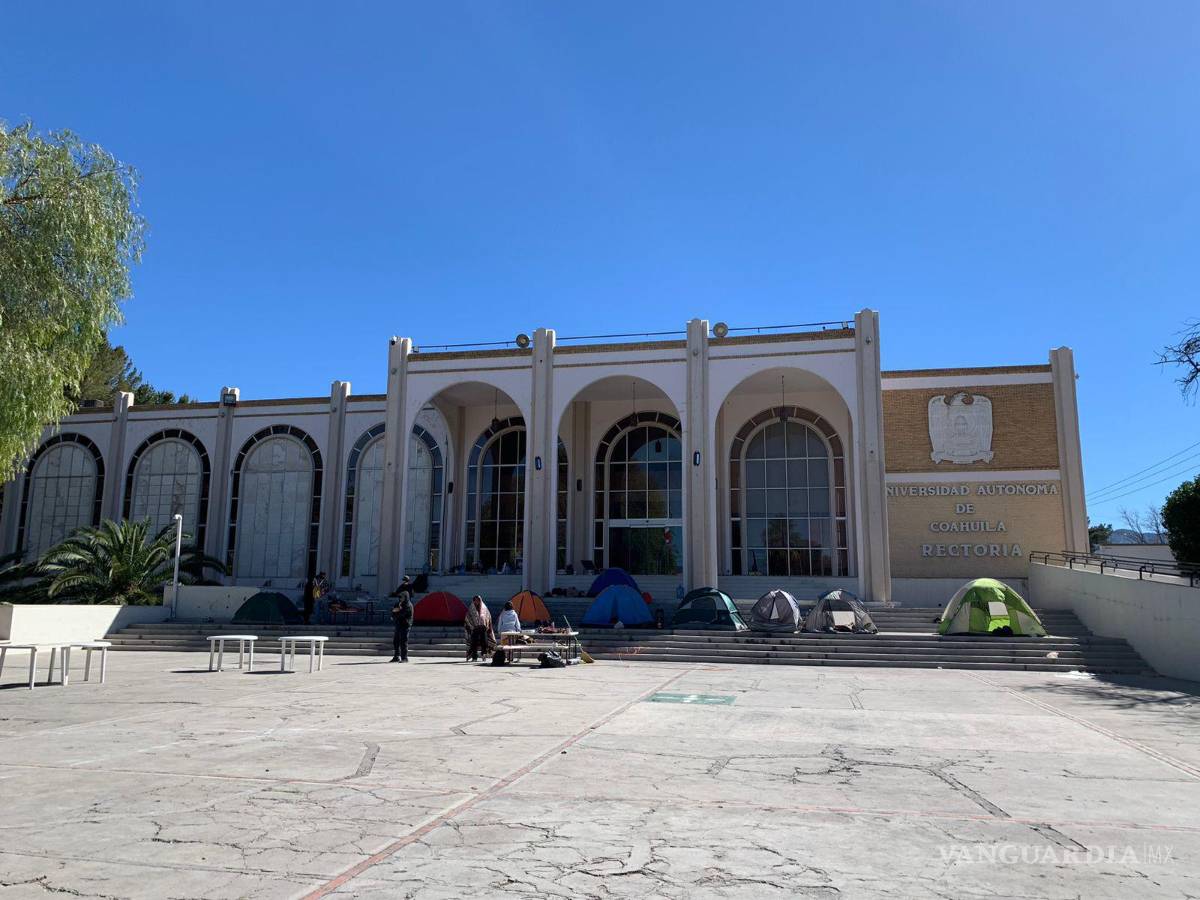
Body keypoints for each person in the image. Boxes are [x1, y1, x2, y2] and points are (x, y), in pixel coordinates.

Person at [464, 595, 495, 662]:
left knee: (484, 642)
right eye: (475, 600)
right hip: (474, 629)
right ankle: (474, 656)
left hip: (483, 628)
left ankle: (484, 654)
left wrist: (488, 627)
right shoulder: (471, 609)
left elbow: (488, 617)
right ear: (473, 601)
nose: (476, 602)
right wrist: (470, 627)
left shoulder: (484, 609)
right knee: (474, 643)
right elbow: (467, 619)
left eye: (478, 600)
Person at [389, 577, 413, 663]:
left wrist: (398, 611)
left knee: (403, 641)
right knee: (396, 641)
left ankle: (404, 657)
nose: (400, 599)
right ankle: (396, 656)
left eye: (402, 598)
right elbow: (393, 612)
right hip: (398, 624)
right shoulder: (398, 603)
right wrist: (395, 612)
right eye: (400, 598)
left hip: (406, 625)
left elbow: (403, 614)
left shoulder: (408, 605)